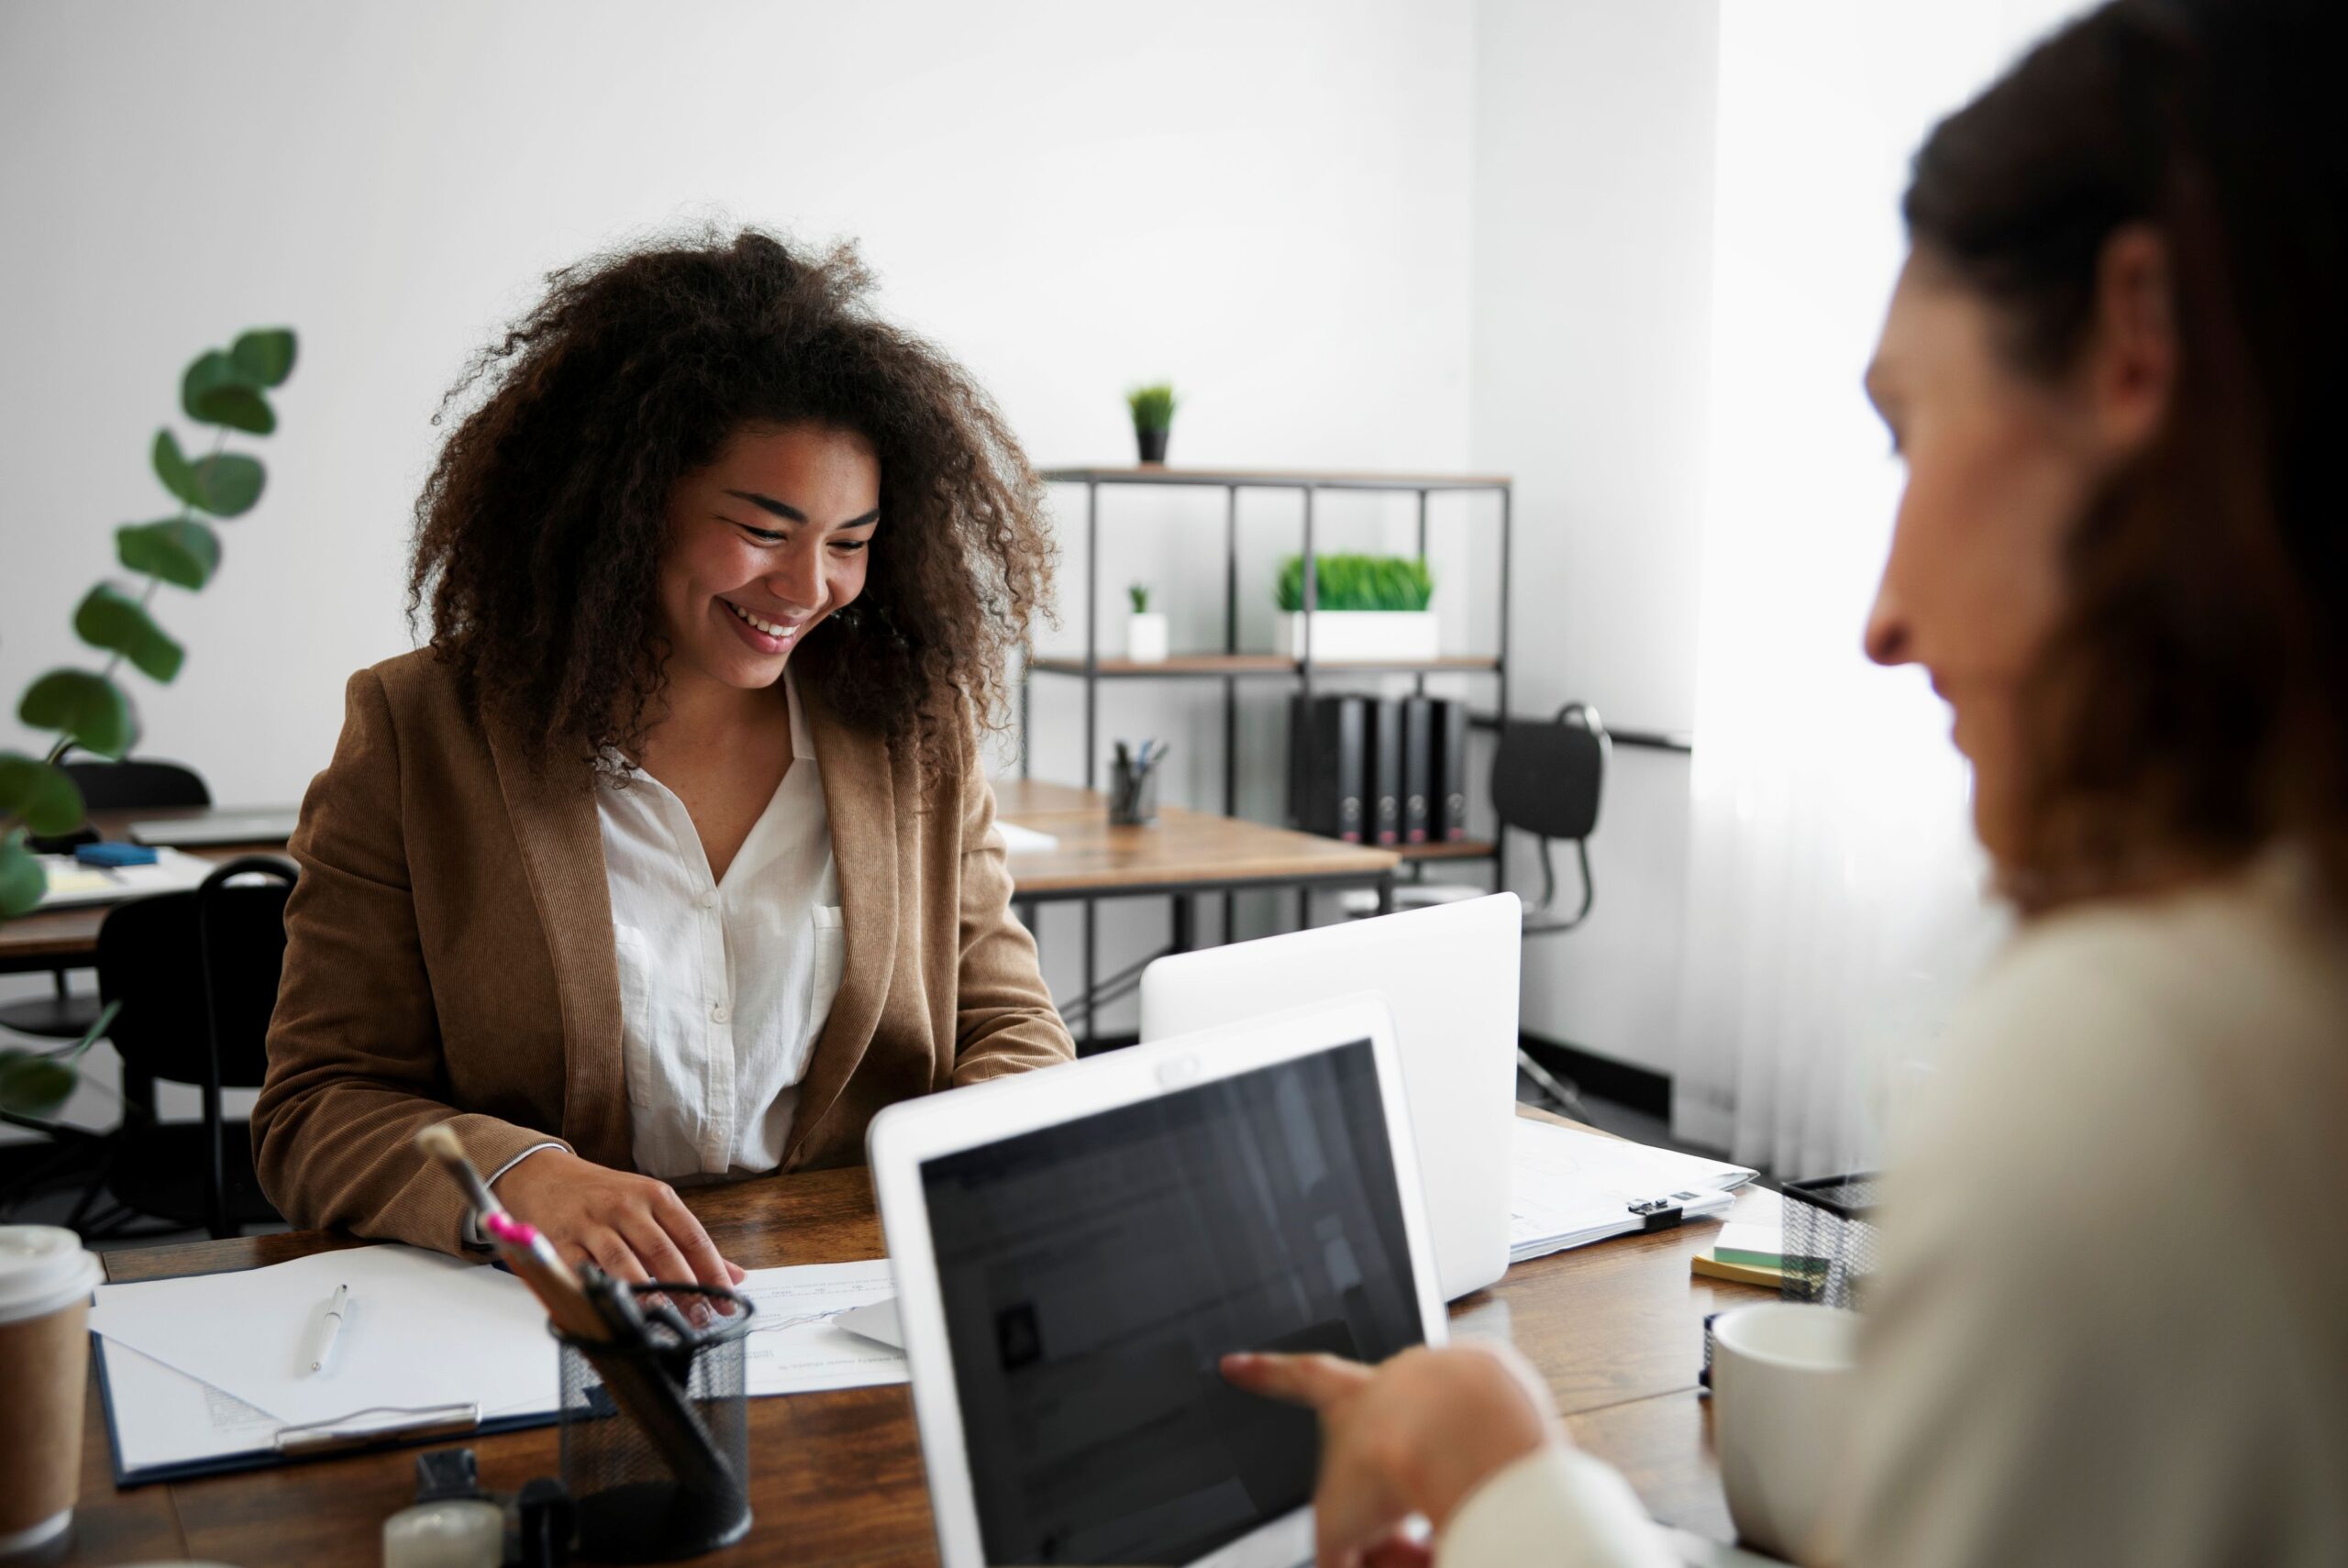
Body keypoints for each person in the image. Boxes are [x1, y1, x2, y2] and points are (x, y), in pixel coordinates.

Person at [1224, 1, 2348, 1562]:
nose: (1883, 616)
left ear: (2135, 340)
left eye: (1908, 433)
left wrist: (1507, 1485)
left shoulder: (2137, 1067)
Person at [252, 232, 1074, 1289]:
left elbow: (1010, 1023)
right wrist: (524, 1179)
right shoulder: (421, 733)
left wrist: (981, 1139)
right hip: (550, 1310)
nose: (807, 587)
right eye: (763, 530)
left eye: (850, 542)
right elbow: (316, 1107)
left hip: (850, 1288)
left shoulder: (910, 731)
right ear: (630, 505)